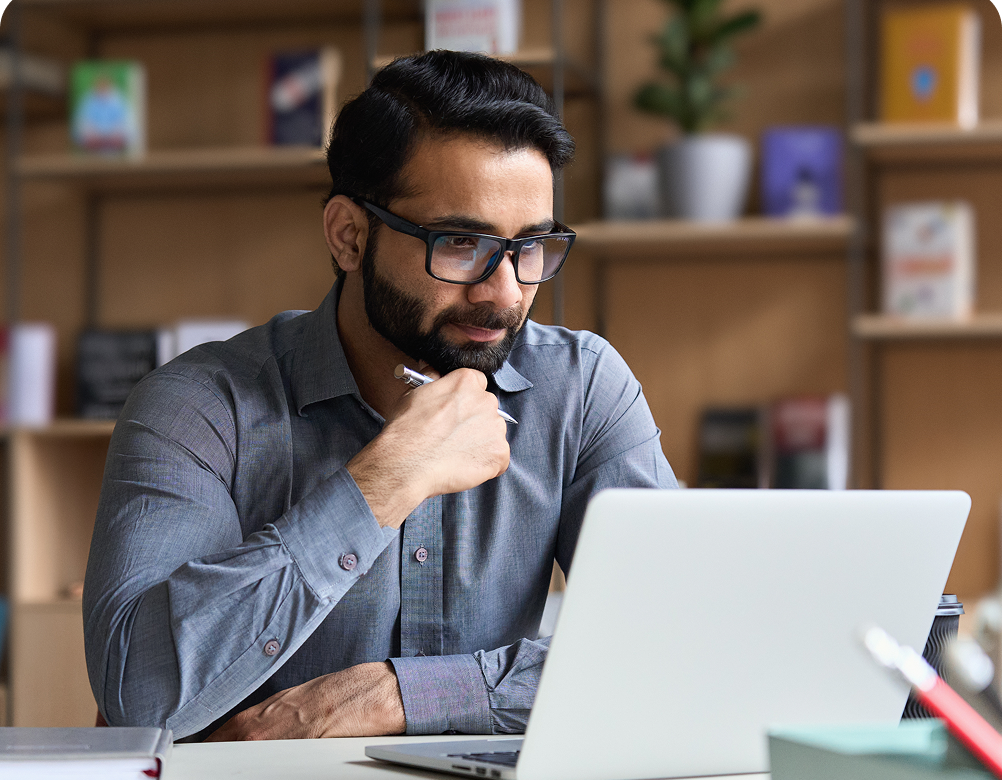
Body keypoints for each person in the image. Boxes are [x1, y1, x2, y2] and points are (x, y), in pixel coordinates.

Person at [83, 50, 677, 742]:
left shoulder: (580, 389)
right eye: (461, 243)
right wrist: (383, 482)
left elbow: (681, 645)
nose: (507, 292)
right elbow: (140, 697)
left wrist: (394, 696)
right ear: (348, 235)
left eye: (532, 246)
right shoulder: (197, 406)